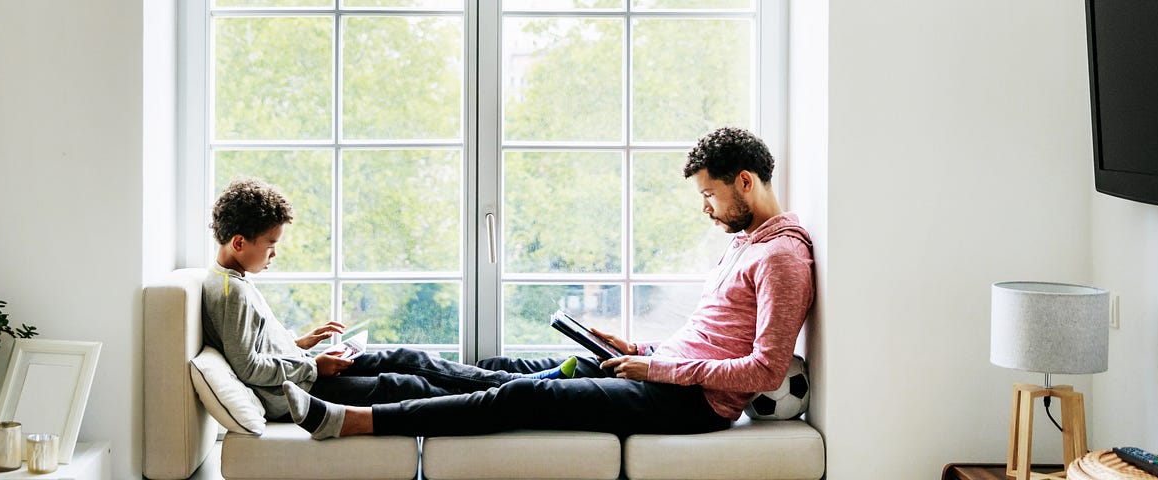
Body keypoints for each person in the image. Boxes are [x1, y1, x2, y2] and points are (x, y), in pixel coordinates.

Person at [279, 126, 816, 440]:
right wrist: (640, 348)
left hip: (690, 403)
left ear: (744, 181)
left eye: (709, 194)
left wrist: (656, 367)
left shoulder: (782, 259)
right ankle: (337, 367)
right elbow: (714, 335)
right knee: (498, 370)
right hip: (662, 372)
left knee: (520, 397)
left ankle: (353, 421)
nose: (707, 208)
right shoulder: (745, 243)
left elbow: (766, 370)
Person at [202, 178, 577, 423]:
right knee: (404, 385)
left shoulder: (235, 281)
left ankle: (513, 381)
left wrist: (301, 344)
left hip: (305, 371)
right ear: (239, 242)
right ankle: (520, 393)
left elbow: (254, 346)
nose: (273, 255)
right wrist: (314, 366)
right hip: (299, 391)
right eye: (270, 246)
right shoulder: (229, 291)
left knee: (406, 358)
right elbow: (248, 367)